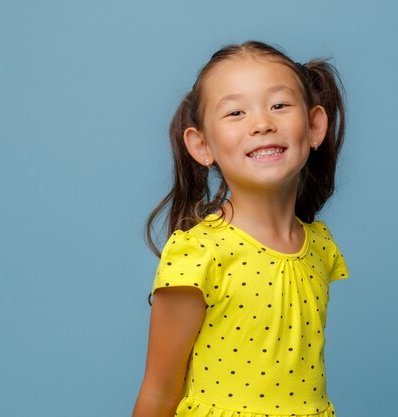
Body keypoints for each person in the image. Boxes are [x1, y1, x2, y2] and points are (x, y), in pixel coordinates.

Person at [132, 41, 349, 417]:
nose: (262, 123)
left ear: (314, 126)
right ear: (201, 146)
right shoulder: (197, 254)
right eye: (235, 112)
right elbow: (157, 394)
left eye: (279, 105)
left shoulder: (320, 246)